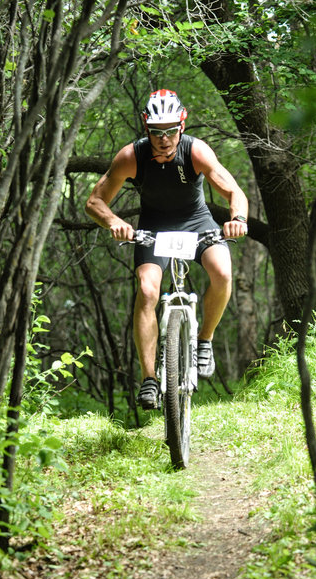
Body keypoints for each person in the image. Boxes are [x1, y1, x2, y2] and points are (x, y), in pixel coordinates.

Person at [85, 89, 248, 410]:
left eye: (171, 130)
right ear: (147, 129)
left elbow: (234, 192)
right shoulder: (132, 157)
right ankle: (149, 379)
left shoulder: (196, 151)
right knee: (147, 291)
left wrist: (238, 219)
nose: (164, 138)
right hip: (154, 227)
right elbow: (94, 202)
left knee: (223, 272)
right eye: (157, 132)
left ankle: (204, 341)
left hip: (197, 222)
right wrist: (114, 222)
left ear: (182, 126)